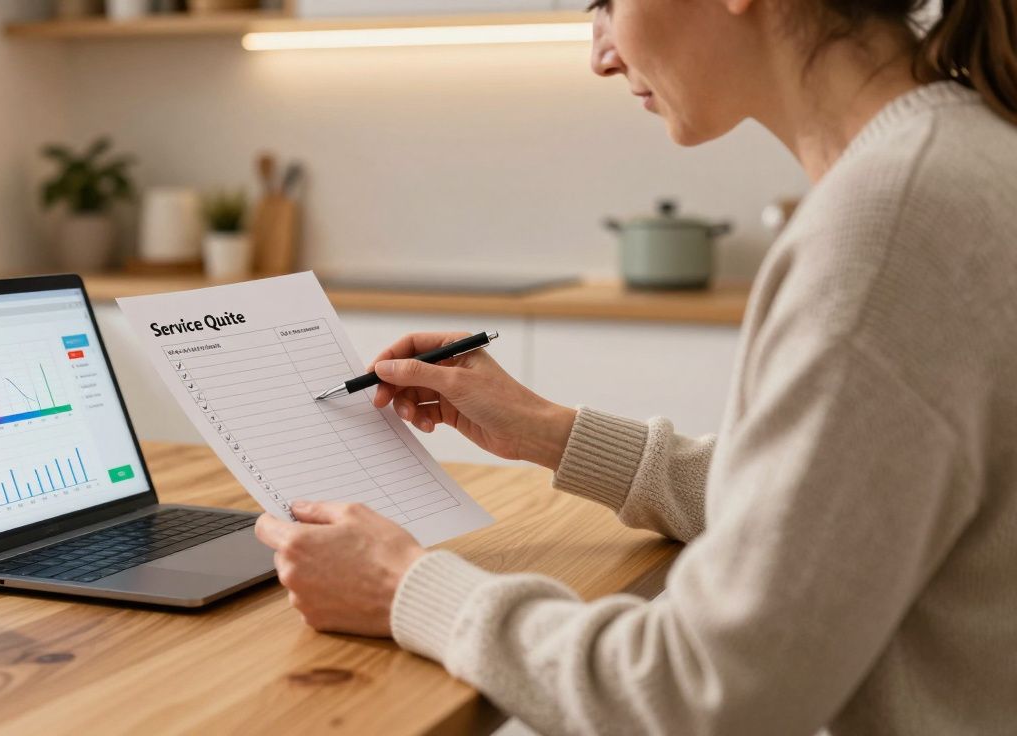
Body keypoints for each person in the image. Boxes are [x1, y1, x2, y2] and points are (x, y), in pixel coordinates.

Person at [254, 0, 1017, 730]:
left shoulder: (887, 231)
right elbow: (834, 510)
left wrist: (405, 588)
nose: (600, 53)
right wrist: (552, 433)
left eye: (606, 0)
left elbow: (704, 695)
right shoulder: (957, 159)